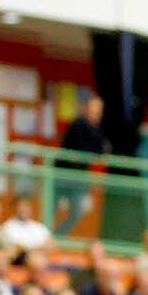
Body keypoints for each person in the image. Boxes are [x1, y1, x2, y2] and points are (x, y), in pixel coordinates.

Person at [55, 94, 107, 237]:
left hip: (79, 179)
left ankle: (57, 236)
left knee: (77, 212)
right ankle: (47, 237)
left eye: (98, 112)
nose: (95, 115)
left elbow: (101, 150)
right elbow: (82, 147)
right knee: (51, 207)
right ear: (85, 109)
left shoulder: (99, 130)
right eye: (92, 110)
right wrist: (92, 152)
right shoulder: (77, 124)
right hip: (62, 175)